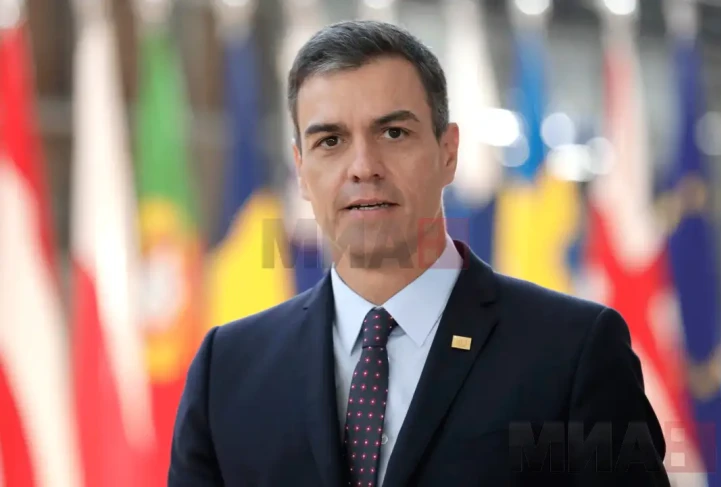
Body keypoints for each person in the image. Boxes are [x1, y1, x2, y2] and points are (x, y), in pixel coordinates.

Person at [168, 20, 670, 487]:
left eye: (393, 133)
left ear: (448, 152)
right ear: (300, 169)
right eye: (331, 141)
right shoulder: (227, 370)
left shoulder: (573, 351)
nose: (363, 166)